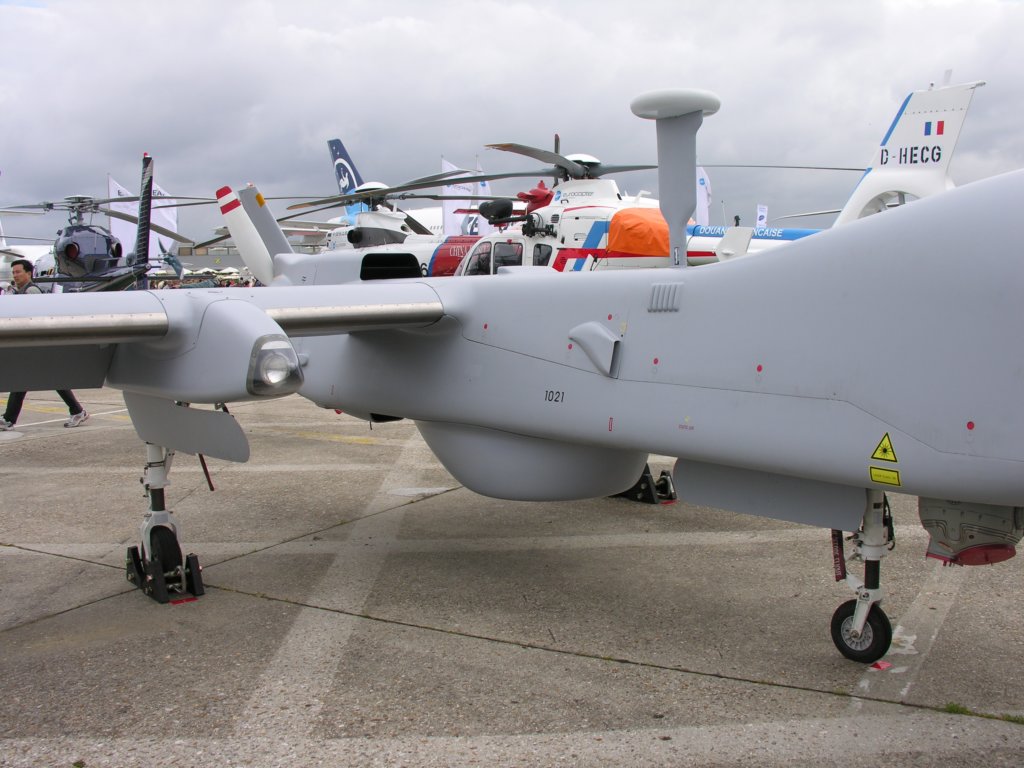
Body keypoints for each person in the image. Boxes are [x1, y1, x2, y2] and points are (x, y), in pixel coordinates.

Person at [0, 259, 89, 430]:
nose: (15, 275)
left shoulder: (31, 292)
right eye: (13, 272)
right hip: (33, 345)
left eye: (18, 272)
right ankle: (77, 411)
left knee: (27, 380)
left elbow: (32, 317)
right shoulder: (21, 292)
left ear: (28, 273)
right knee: (43, 379)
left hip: (37, 345)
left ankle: (9, 419)